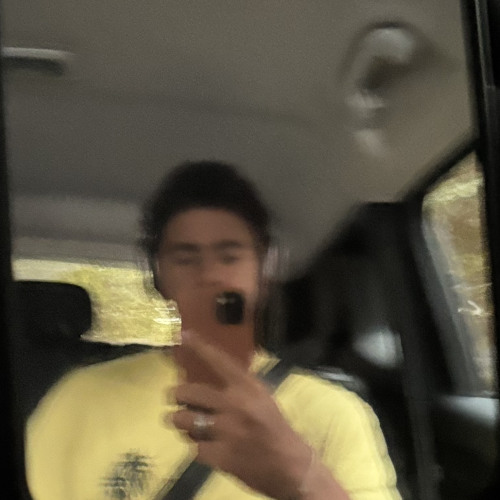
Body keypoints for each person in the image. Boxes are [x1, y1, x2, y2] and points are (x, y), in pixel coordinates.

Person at [25, 161, 401, 500]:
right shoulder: (78, 399)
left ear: (262, 272)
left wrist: (300, 475)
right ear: (158, 276)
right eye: (185, 258)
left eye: (230, 256)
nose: (209, 275)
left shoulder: (336, 412)